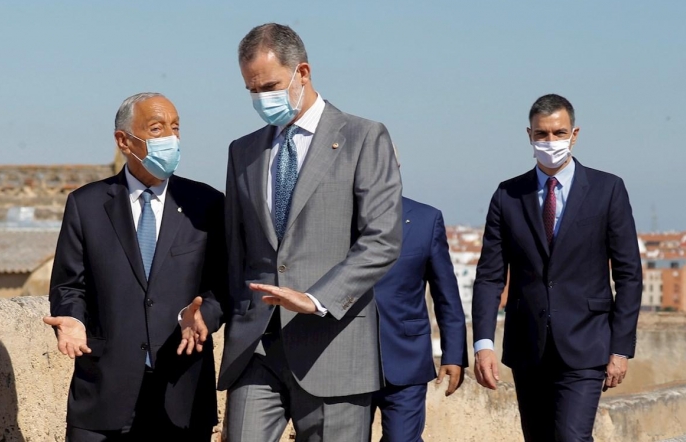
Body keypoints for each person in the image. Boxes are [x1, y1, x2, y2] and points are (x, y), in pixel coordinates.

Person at [219, 23, 403, 442]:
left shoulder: (362, 137)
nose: (262, 97)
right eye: (252, 89)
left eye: (270, 85)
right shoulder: (242, 151)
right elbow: (237, 248)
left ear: (302, 72)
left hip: (332, 345)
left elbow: (382, 239)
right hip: (257, 349)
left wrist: (317, 298)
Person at [43, 93, 227, 441]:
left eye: (175, 128)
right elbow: (69, 285)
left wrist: (205, 316)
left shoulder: (206, 204)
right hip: (103, 393)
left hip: (181, 390)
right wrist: (72, 319)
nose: (170, 139)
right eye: (157, 129)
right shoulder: (86, 204)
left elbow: (224, 284)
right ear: (124, 141)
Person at [471, 94, 643, 441]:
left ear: (575, 134)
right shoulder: (507, 196)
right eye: (542, 134)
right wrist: (483, 344)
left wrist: (621, 348)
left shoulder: (607, 189)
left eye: (559, 132)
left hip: (587, 343)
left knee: (571, 438)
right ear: (529, 135)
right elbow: (489, 276)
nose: (551, 141)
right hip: (527, 346)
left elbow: (628, 274)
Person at [373, 149, 468, 442]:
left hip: (406, 359)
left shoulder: (426, 220)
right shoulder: (334, 220)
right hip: (346, 361)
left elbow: (446, 294)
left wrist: (454, 355)